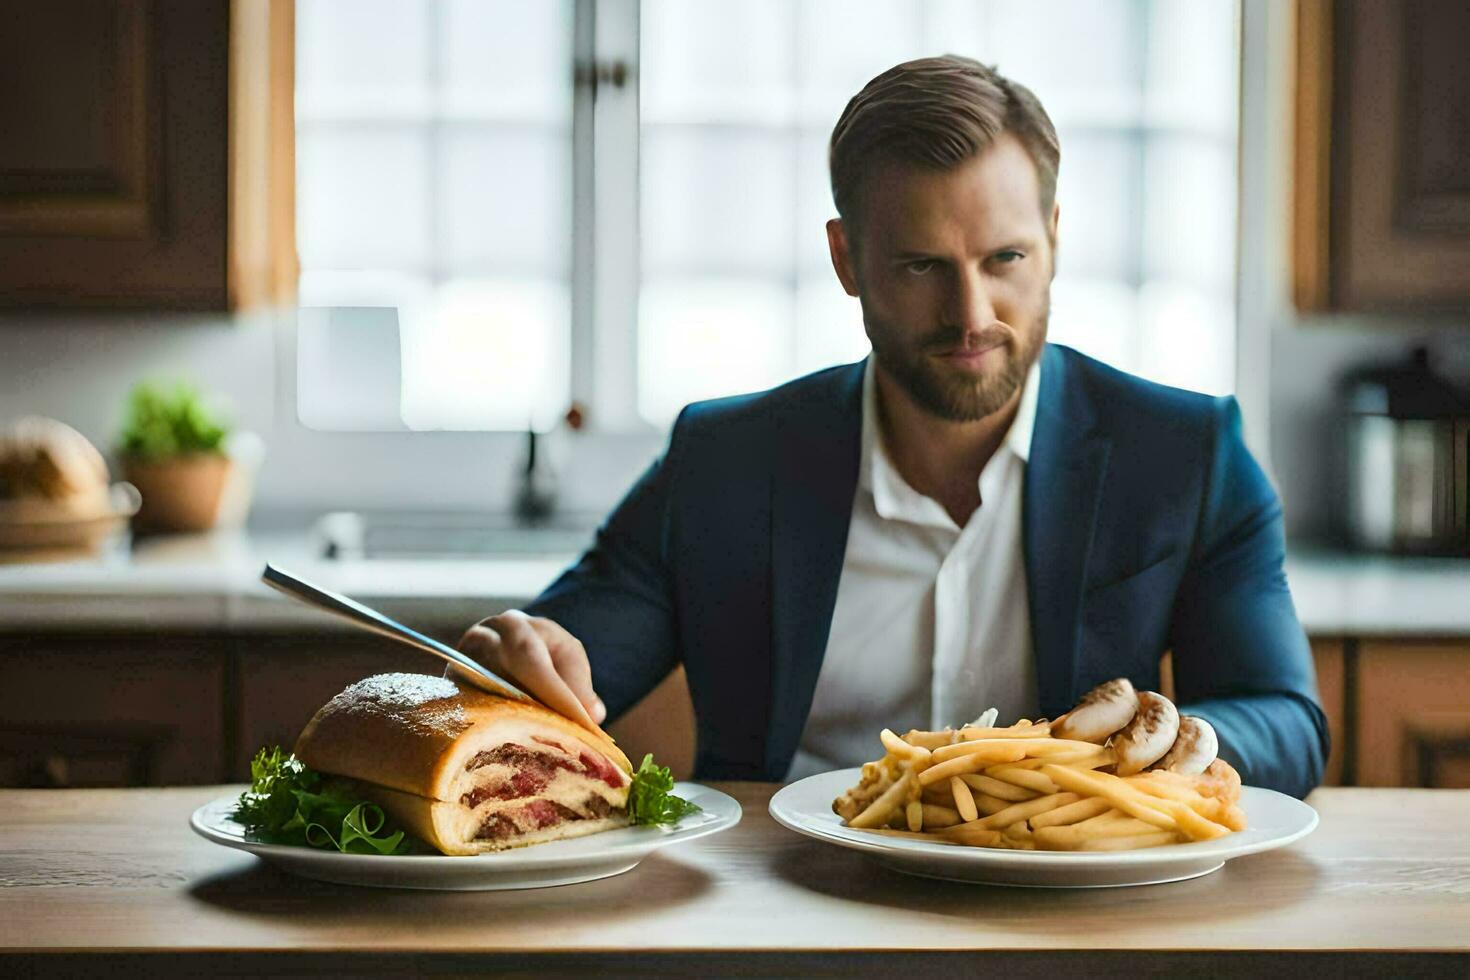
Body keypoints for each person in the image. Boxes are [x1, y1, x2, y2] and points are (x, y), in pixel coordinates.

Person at [457, 55, 1328, 798]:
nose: (972, 313)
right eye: (921, 266)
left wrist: (1171, 740)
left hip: (1067, 915)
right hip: (781, 913)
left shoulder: (1187, 454)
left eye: (1006, 259)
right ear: (847, 260)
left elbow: (1284, 719)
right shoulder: (724, 461)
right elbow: (556, 675)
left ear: (1054, 241)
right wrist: (524, 662)